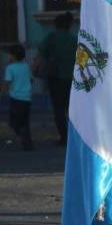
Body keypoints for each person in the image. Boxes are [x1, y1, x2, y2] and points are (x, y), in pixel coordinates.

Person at [36, 11, 77, 146]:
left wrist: (34, 70)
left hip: (55, 78)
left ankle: (64, 137)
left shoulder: (51, 38)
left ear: (55, 25)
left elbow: (40, 55)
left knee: (59, 110)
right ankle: (75, 136)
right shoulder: (74, 39)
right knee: (73, 109)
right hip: (73, 79)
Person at [3, 44, 33, 151]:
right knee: (25, 121)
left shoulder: (10, 68)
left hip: (15, 98)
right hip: (27, 98)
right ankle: (27, 142)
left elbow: (7, 82)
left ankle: (23, 136)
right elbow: (31, 80)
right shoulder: (26, 66)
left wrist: (3, 93)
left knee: (14, 122)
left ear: (13, 56)